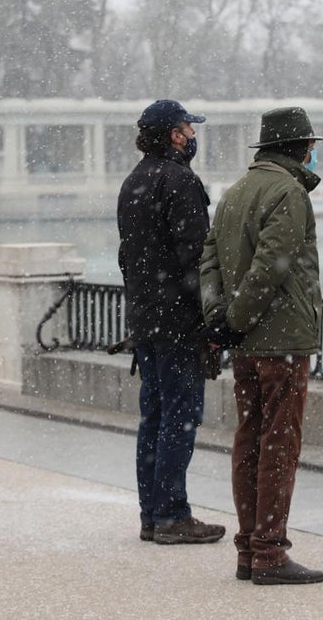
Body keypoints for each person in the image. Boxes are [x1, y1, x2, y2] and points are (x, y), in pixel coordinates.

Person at [200, 105, 323, 585]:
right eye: (310, 145)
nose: (313, 152)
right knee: (279, 442)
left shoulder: (235, 193)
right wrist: (234, 320)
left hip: (247, 345)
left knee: (249, 440)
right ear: (296, 148)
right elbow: (271, 268)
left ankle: (248, 549)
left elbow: (208, 262)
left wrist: (219, 321)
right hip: (282, 341)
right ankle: (270, 553)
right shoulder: (289, 193)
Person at [117, 98, 226, 546]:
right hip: (179, 322)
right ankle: (171, 515)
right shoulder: (180, 181)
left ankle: (151, 513)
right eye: (187, 127)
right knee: (179, 419)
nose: (193, 134)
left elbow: (129, 257)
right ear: (174, 135)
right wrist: (212, 322)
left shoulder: (133, 181)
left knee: (154, 418)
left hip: (146, 320)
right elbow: (196, 259)